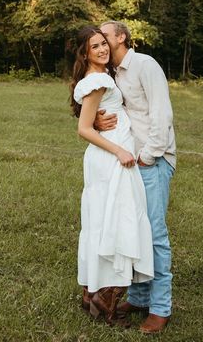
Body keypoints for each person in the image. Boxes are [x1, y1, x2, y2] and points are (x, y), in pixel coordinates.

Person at [96, 20, 176, 334]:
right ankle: (140, 297)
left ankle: (160, 308)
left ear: (121, 36)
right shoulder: (109, 74)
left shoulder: (145, 65)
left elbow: (162, 113)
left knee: (154, 234)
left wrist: (149, 155)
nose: (100, 37)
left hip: (151, 161)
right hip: (128, 162)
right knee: (134, 229)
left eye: (106, 32)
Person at [70, 25, 154, 327]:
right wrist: (119, 150)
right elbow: (84, 128)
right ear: (85, 53)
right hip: (111, 158)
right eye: (95, 47)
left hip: (108, 156)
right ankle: (105, 300)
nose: (103, 49)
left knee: (104, 221)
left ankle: (92, 292)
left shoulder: (97, 77)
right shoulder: (100, 79)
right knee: (115, 221)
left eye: (103, 44)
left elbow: (90, 117)